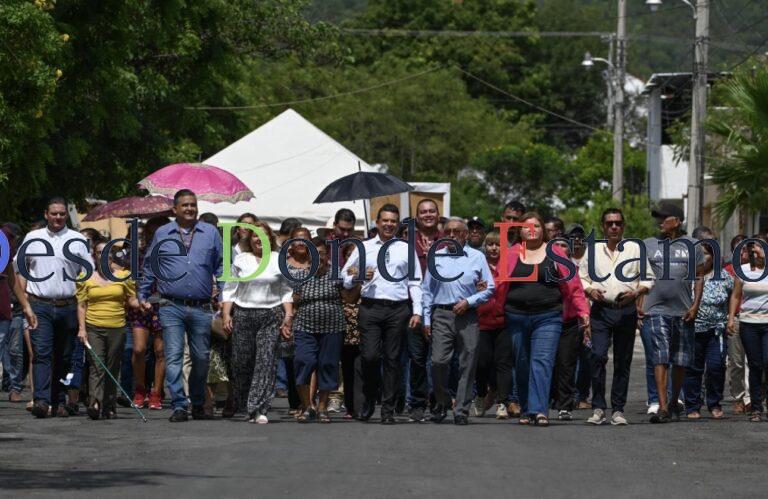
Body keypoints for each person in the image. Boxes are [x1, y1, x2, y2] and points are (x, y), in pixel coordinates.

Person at [498, 211, 590, 426]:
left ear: (543, 231)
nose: (532, 230)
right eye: (527, 227)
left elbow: (574, 286)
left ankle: (539, 410)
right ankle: (525, 408)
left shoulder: (556, 252)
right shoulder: (511, 253)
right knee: (521, 364)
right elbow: (498, 284)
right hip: (516, 316)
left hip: (548, 316)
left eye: (536, 226)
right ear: (520, 231)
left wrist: (583, 311)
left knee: (542, 361)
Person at [138, 189, 223, 422]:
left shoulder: (210, 233)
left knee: (201, 357)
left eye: (193, 205)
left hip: (201, 306)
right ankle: (178, 404)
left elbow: (221, 267)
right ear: (175, 209)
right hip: (170, 305)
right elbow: (150, 266)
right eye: (184, 205)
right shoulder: (163, 233)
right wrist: (143, 293)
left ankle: (197, 402)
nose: (189, 209)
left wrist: (225, 295)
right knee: (173, 356)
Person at [342, 204, 422, 424]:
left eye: (393, 221)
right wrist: (359, 275)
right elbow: (344, 276)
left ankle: (387, 408)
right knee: (369, 356)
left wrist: (417, 310)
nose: (389, 224)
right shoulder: (363, 247)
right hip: (370, 307)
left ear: (397, 224)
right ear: (377, 223)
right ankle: (369, 398)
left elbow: (415, 281)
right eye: (385, 220)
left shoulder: (406, 248)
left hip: (398, 308)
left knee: (393, 360)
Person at [13, 197, 89, 418]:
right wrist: (25, 303)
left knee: (65, 356)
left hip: (68, 305)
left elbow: (86, 275)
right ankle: (42, 401)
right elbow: (18, 270)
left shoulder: (77, 240)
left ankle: (60, 400)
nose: (58, 217)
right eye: (54, 213)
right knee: (42, 354)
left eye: (62, 214)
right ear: (46, 214)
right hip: (40, 305)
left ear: (67, 215)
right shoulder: (33, 238)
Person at [579, 208, 653, 425]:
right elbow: (581, 278)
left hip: (626, 310)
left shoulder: (634, 249)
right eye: (610, 223)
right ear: (603, 226)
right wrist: (589, 290)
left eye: (618, 223)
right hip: (601, 311)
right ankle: (599, 408)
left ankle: (618, 410)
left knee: (623, 360)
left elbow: (648, 278)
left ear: (624, 226)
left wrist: (637, 292)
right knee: (598, 356)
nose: (614, 227)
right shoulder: (593, 250)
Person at [422, 218, 494, 425]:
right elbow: (427, 291)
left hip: (467, 315)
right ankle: (443, 401)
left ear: (465, 235)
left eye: (457, 232)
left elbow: (490, 287)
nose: (452, 235)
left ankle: (461, 409)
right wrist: (426, 319)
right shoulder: (437, 256)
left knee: (468, 363)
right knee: (438, 361)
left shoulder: (477, 257)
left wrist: (470, 301)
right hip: (442, 313)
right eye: (448, 232)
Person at [221, 221, 294, 424]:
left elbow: (286, 291)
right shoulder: (241, 260)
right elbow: (230, 289)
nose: (259, 239)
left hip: (270, 315)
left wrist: (288, 317)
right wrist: (227, 314)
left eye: (264, 235)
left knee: (266, 361)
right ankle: (246, 404)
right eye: (255, 235)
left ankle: (260, 407)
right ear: (250, 239)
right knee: (242, 363)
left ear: (270, 238)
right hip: (244, 314)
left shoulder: (278, 260)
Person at [639, 202, 705, 424]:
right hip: (655, 309)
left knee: (680, 360)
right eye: (658, 218)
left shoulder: (692, 245)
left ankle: (675, 400)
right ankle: (663, 406)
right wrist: (639, 302)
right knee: (661, 357)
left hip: (684, 310)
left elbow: (698, 277)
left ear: (677, 221)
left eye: (664, 218)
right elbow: (641, 276)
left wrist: (695, 306)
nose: (659, 222)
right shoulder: (648, 245)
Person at [292, 238, 355, 422]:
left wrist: (358, 281)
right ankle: (306, 406)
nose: (318, 257)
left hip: (332, 326)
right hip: (305, 326)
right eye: (314, 253)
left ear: (326, 255)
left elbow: (348, 298)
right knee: (304, 361)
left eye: (321, 253)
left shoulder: (335, 274)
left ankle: (322, 408)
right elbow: (293, 301)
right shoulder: (299, 275)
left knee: (328, 365)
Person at [76, 241, 139, 419]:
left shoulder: (124, 276)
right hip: (93, 326)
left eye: (107, 252)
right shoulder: (85, 277)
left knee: (112, 366)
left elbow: (132, 299)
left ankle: (109, 405)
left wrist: (142, 304)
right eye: (99, 252)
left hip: (117, 326)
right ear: (94, 256)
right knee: (97, 366)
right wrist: (82, 328)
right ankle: (95, 402)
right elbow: (81, 305)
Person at [403, 199, 442, 422]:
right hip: (414, 306)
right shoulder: (406, 241)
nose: (428, 214)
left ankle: (438, 401)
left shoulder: (447, 241)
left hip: (442, 306)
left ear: (438, 214)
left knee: (439, 359)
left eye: (431, 211)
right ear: (417, 216)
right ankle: (417, 403)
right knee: (417, 357)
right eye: (423, 212)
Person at [684, 240, 731, 419]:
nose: (703, 258)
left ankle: (714, 403)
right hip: (693, 329)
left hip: (716, 330)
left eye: (706, 254)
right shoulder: (687, 276)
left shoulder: (724, 276)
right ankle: (692, 406)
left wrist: (731, 317)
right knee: (693, 369)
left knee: (716, 366)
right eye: (699, 254)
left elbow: (735, 296)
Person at [128, 216, 169, 410]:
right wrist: (136, 298)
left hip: (164, 305)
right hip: (141, 304)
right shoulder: (139, 255)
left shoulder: (173, 255)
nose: (155, 236)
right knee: (138, 349)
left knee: (161, 351)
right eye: (151, 232)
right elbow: (128, 280)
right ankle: (140, 388)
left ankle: (156, 392)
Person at [475, 231, 515, 420]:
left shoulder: (509, 266)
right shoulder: (477, 264)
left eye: (498, 244)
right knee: (482, 363)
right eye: (490, 244)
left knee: (503, 363)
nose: (493, 248)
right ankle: (481, 394)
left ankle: (502, 402)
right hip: (481, 321)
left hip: (504, 321)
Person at [727, 238, 768, 421]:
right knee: (755, 365)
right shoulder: (743, 270)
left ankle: (763, 401)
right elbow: (736, 296)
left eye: (759, 246)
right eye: (752, 247)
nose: (755, 250)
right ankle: (756, 408)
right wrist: (730, 318)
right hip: (748, 323)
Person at [723, 234, 750, 414]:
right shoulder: (728, 271)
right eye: (738, 250)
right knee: (736, 362)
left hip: (755, 318)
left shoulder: (758, 270)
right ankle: (739, 398)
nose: (742, 254)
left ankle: (752, 398)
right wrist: (729, 318)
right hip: (736, 318)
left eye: (745, 250)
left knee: (753, 361)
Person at [565, 223, 591, 409]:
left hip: (591, 315)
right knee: (569, 357)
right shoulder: (564, 259)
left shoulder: (593, 258)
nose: (576, 239)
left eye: (580, 236)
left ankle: (583, 395)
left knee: (588, 356)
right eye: (572, 236)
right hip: (571, 316)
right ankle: (571, 394)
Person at [1, 224, 27, 402]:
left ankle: (15, 387)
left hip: (6, 309)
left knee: (13, 350)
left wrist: (26, 305)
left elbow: (12, 278)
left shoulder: (4, 244)